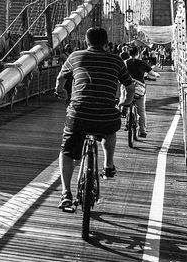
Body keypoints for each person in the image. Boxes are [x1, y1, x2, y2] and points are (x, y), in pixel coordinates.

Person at [54, 27, 137, 212]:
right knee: (110, 130)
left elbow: (60, 79)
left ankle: (66, 194)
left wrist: (61, 91)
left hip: (78, 115)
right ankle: (108, 166)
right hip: (106, 116)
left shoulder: (75, 56)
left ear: (86, 41)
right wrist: (125, 102)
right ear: (106, 43)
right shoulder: (116, 60)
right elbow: (130, 88)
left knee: (67, 151)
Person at [123, 53, 155, 138]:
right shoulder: (142, 63)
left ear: (129, 54)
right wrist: (156, 75)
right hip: (139, 89)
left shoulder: (124, 63)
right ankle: (143, 131)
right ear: (137, 54)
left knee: (125, 101)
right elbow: (152, 73)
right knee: (141, 110)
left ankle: (126, 119)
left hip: (127, 88)